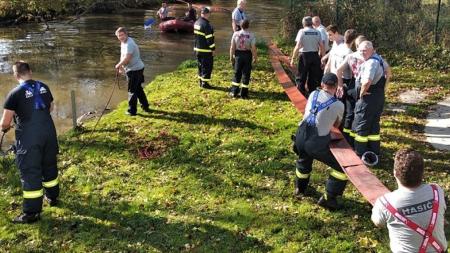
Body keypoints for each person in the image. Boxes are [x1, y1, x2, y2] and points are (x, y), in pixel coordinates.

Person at [0, 61, 59, 223]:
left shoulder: (14, 94)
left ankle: (32, 213)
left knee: (31, 171)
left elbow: (5, 123)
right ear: (30, 71)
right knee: (49, 165)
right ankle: (53, 198)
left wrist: (9, 126)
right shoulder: (44, 86)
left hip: (29, 138)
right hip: (49, 133)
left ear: (16, 75)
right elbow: (50, 107)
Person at [371, 149, 448, 253]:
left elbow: (378, 222)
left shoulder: (385, 203)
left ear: (394, 173)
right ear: (422, 174)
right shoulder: (436, 191)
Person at [293, 73, 347, 210]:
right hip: (316, 143)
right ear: (336, 87)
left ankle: (300, 188)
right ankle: (329, 198)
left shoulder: (312, 94)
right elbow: (336, 124)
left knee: (304, 158)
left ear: (322, 84)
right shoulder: (339, 105)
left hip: (300, 135)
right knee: (341, 168)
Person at [352, 41, 391, 164]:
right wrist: (385, 87)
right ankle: (374, 151)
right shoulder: (378, 58)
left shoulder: (370, 63)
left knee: (362, 125)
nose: (362, 53)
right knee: (374, 125)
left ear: (371, 50)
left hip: (368, 99)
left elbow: (367, 81)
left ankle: (359, 153)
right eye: (361, 50)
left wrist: (361, 93)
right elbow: (388, 71)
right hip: (378, 97)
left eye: (365, 50)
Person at [336, 35, 367, 146]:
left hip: (352, 85)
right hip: (364, 86)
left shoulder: (351, 56)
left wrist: (340, 85)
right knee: (360, 114)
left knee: (349, 113)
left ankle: (346, 139)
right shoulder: (369, 57)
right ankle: (357, 141)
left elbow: (339, 70)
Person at [115, 27, 151, 116]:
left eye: (122, 35)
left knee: (132, 90)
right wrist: (121, 67)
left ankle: (132, 111)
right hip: (134, 69)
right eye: (119, 36)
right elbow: (122, 55)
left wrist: (118, 65)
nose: (121, 37)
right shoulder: (123, 42)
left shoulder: (129, 44)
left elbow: (127, 58)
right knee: (138, 89)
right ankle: (145, 106)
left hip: (135, 70)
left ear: (126, 34)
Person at [290, 16, 324, 97]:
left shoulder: (302, 31)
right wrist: (323, 58)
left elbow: (298, 46)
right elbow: (322, 46)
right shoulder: (317, 32)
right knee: (313, 77)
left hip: (304, 56)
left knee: (301, 76)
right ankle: (312, 94)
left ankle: (300, 94)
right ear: (311, 23)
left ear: (303, 24)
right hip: (315, 56)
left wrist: (293, 58)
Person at [228, 19, 257, 99]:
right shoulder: (251, 35)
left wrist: (231, 57)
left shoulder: (235, 34)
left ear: (240, 26)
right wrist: (255, 57)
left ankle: (234, 91)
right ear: (248, 26)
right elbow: (253, 48)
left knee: (237, 73)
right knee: (246, 74)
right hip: (247, 55)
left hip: (238, 55)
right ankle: (244, 94)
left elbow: (232, 47)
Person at [194, 7, 215, 89]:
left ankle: (200, 81)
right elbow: (209, 39)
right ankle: (205, 83)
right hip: (206, 50)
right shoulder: (206, 25)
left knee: (200, 65)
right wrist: (213, 49)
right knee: (207, 66)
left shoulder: (196, 22)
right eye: (209, 13)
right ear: (207, 14)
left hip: (197, 49)